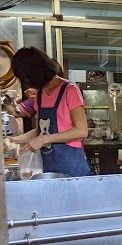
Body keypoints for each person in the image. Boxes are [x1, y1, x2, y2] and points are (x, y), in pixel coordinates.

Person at [7, 47, 92, 177]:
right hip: (49, 166)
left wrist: (44, 139)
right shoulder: (41, 94)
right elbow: (39, 131)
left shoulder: (70, 90)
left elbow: (81, 130)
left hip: (71, 167)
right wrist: (14, 140)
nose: (27, 82)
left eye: (26, 78)